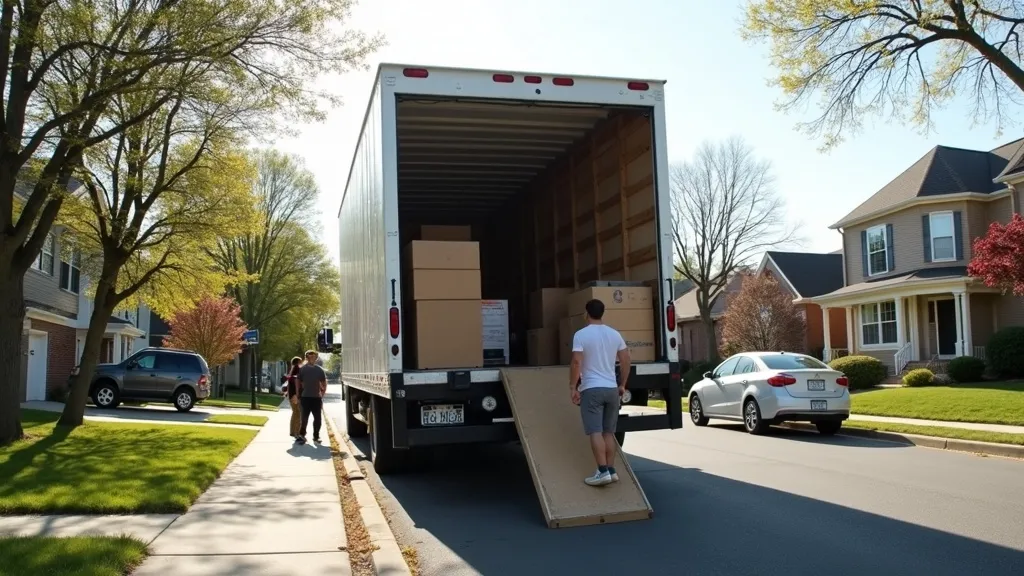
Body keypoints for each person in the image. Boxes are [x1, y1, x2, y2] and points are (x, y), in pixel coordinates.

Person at [569, 298, 631, 487]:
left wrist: (573, 386)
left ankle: (602, 471)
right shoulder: (614, 334)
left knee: (595, 432)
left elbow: (577, 362)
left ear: (586, 313)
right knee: (608, 432)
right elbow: (626, 359)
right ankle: (611, 471)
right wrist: (623, 384)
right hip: (612, 389)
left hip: (592, 389)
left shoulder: (581, 335)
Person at [297, 349, 328, 445]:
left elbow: (323, 383)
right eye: (310, 357)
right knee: (304, 418)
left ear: (316, 358)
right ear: (306, 358)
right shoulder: (302, 369)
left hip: (316, 398)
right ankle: (302, 435)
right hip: (305, 398)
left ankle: (316, 436)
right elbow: (298, 382)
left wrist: (322, 394)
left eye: (314, 357)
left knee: (318, 419)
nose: (312, 358)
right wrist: (298, 394)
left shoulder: (319, 370)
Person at [283, 357, 302, 441]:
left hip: (292, 395)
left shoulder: (292, 371)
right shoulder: (297, 370)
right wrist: (295, 396)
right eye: (300, 362)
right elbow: (295, 385)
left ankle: (293, 431)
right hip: (294, 396)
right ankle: (296, 432)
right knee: (297, 414)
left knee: (295, 413)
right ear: (298, 362)